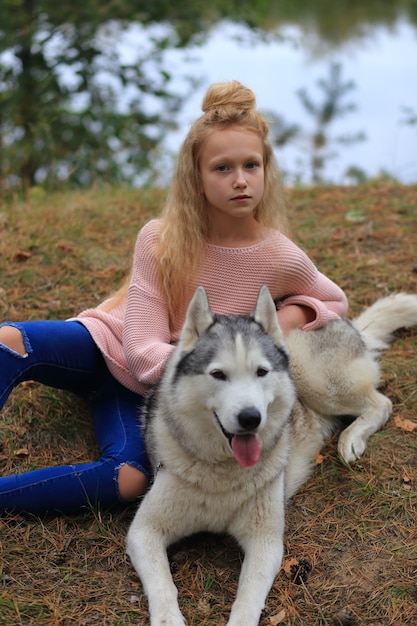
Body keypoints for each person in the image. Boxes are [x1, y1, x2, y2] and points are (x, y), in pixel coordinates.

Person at [0, 80, 348, 516]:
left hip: (146, 399)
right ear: (196, 177)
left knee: (129, 481)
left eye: (251, 166)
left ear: (266, 170)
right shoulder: (160, 238)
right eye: (222, 168)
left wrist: (291, 315)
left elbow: (333, 299)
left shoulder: (277, 254)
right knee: (9, 340)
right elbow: (143, 356)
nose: (240, 181)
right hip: (102, 347)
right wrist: (215, 366)